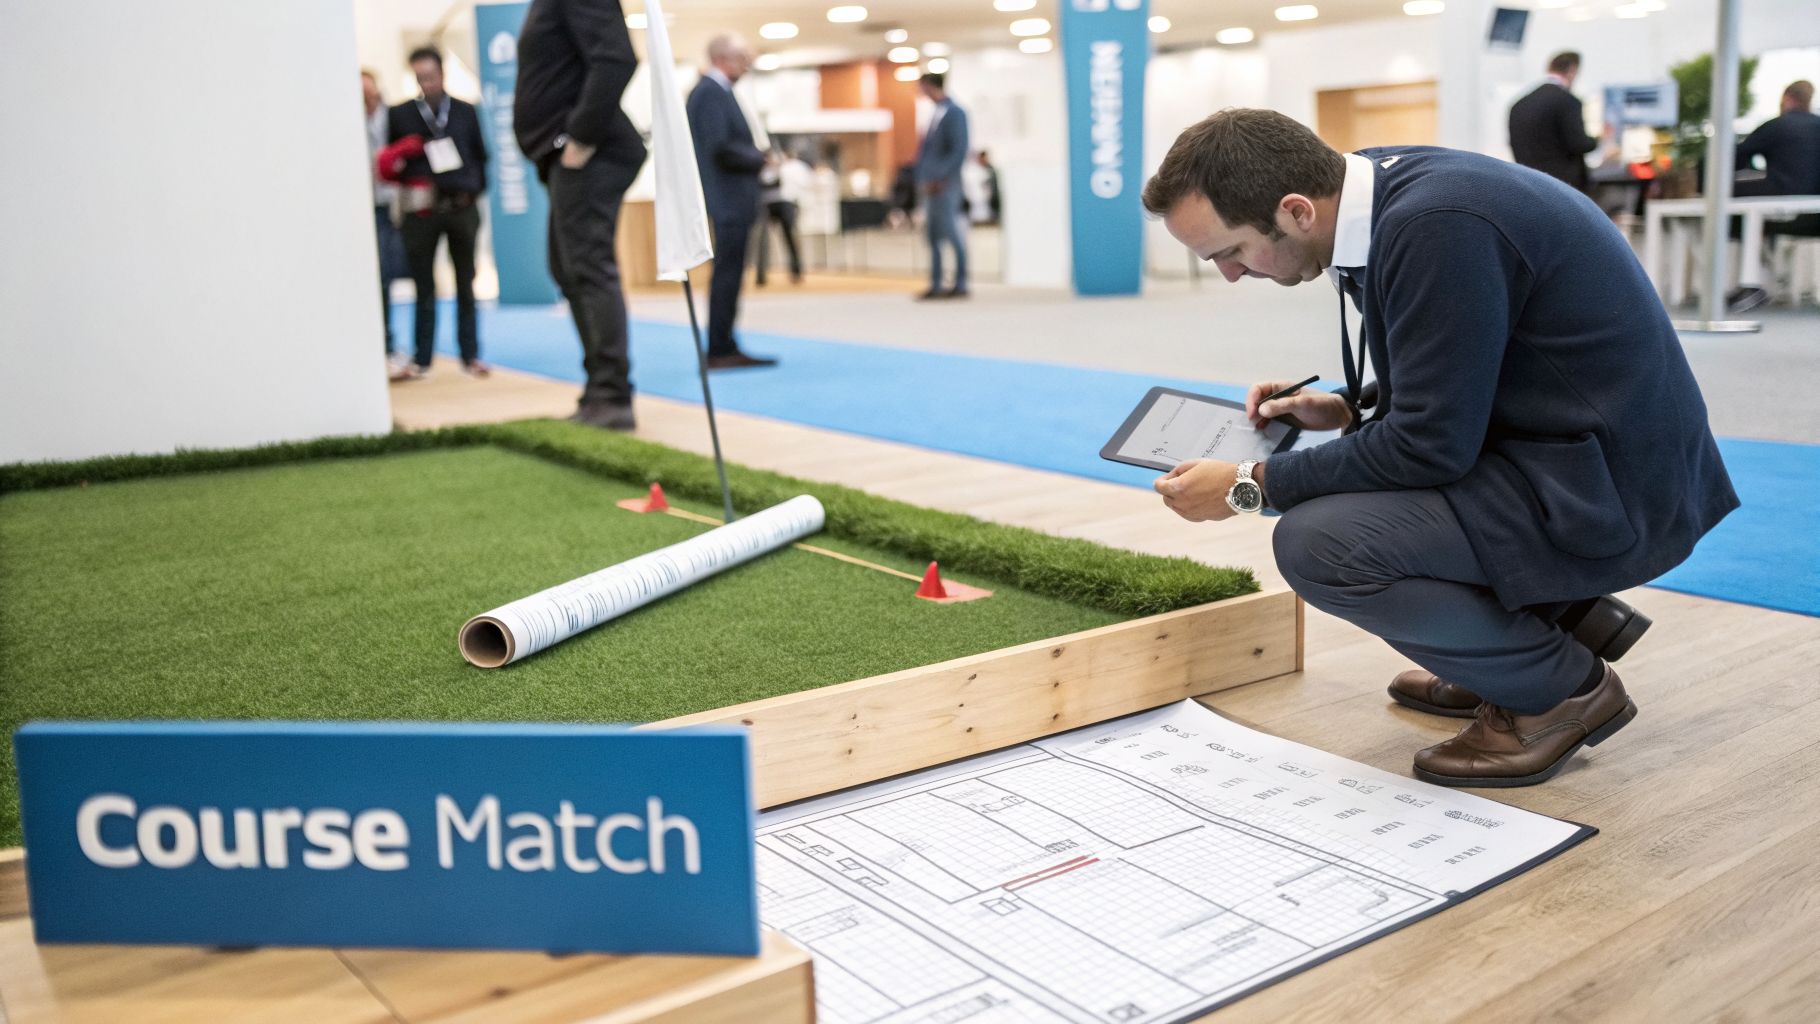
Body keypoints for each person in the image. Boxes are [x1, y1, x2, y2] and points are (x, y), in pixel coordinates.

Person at [1143, 109, 1737, 788]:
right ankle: (1535, 633)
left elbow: (1429, 449)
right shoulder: (1387, 192)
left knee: (1319, 543)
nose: (1228, 274)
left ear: (1297, 210)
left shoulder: (1437, 226)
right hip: (1575, 456)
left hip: (1608, 491)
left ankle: (1557, 690)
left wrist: (1250, 484)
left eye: (1231, 251)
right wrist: (1346, 403)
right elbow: (1470, 360)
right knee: (1355, 485)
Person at [514, 0, 647, 430]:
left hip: (591, 154)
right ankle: (600, 391)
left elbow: (617, 57)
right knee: (569, 269)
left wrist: (581, 138)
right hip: (568, 157)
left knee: (588, 269)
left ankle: (611, 397)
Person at [383, 47, 490, 379]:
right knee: (424, 287)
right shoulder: (400, 115)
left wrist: (471, 191)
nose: (426, 83)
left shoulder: (464, 111)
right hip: (422, 212)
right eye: (419, 78)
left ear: (442, 74)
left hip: (461, 208)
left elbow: (480, 155)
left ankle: (470, 356)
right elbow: (391, 164)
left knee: (466, 284)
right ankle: (423, 358)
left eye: (430, 76)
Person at [686, 35, 777, 369]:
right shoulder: (710, 93)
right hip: (728, 200)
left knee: (731, 274)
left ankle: (725, 344)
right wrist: (759, 159)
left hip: (733, 199)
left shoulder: (718, 92)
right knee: (726, 275)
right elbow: (720, 147)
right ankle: (721, 348)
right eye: (743, 57)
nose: (747, 64)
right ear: (724, 57)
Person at [1727, 80, 1820, 313]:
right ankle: (1763, 274)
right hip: (1814, 214)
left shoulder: (1778, 125)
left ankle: (1753, 281)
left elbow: (1737, 156)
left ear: (1787, 98)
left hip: (1780, 205)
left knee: (1738, 199)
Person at [362, 70, 408, 377]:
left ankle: (389, 347)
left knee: (388, 275)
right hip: (366, 207)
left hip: (393, 204)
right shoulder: (348, 121)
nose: (367, 98)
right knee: (376, 280)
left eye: (370, 93)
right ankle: (379, 346)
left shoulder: (393, 118)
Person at [914, 73, 970, 300]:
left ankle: (961, 282)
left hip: (946, 184)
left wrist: (940, 176)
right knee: (933, 235)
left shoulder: (956, 113)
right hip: (930, 184)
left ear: (930, 86)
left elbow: (959, 150)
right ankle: (936, 283)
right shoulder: (934, 113)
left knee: (952, 233)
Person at [1508, 51, 1599, 192]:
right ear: (1572, 71)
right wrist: (1599, 139)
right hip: (1563, 187)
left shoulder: (1518, 104)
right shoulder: (1568, 101)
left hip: (1529, 185)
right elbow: (1578, 144)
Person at [755, 148, 805, 287]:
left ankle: (796, 271)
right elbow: (764, 184)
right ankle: (761, 275)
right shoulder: (762, 170)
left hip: (785, 203)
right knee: (762, 239)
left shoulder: (787, 169)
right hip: (766, 205)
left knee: (790, 237)